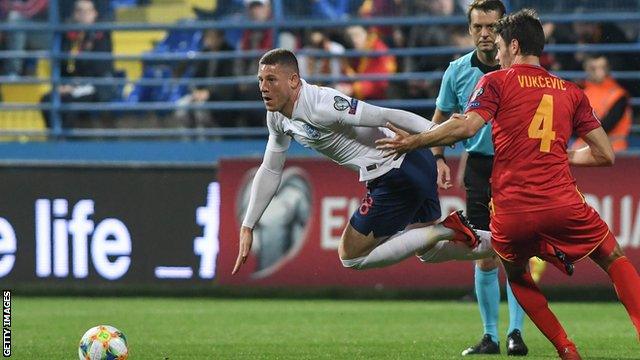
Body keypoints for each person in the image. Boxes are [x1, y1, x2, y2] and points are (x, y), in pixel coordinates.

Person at [376, 9, 640, 360]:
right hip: (562, 203)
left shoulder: (496, 82)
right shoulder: (570, 91)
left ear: (514, 46)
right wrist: (562, 154)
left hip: (511, 211)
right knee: (613, 257)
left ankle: (566, 349)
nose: (496, 54)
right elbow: (605, 154)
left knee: (515, 273)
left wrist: (413, 142)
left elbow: (467, 127)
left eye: (500, 46)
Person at [232, 48, 497, 278]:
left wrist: (433, 132)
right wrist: (248, 225)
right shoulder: (277, 117)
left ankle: (445, 229)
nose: (263, 88)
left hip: (396, 168)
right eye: (260, 80)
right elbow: (270, 168)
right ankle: (504, 243)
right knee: (429, 251)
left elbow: (384, 115)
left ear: (293, 80)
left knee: (351, 256)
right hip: (410, 164)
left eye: (271, 80)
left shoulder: (322, 105)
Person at [430, 0, 527, 356]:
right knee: (483, 253)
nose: (485, 34)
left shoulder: (522, 70)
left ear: (504, 29)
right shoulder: (457, 71)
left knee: (515, 252)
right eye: (478, 27)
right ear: (469, 29)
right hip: (480, 167)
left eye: (491, 26)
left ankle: (516, 333)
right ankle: (491, 336)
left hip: (517, 166)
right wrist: (438, 156)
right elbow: (439, 118)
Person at [40, 0, 114, 129]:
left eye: (87, 11)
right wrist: (63, 85)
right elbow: (63, 65)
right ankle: (54, 139)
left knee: (69, 103)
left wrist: (74, 85)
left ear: (94, 14)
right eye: (79, 11)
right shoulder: (68, 37)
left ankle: (67, 144)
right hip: (70, 85)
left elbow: (100, 68)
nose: (83, 14)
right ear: (74, 14)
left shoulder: (101, 36)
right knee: (47, 99)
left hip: (94, 86)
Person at [571, 54, 632, 152]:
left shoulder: (618, 95)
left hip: (613, 150)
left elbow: (606, 126)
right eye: (593, 68)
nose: (598, 72)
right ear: (586, 69)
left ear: (608, 69)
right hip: (583, 148)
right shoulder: (582, 91)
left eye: (602, 67)